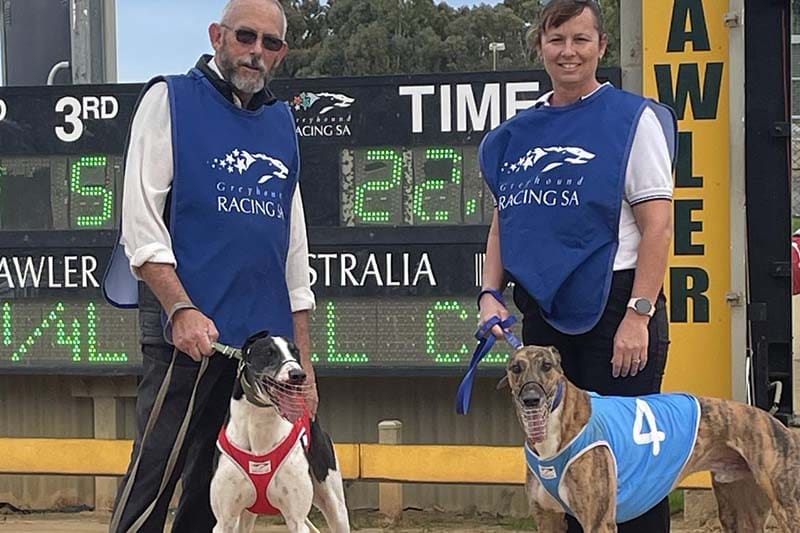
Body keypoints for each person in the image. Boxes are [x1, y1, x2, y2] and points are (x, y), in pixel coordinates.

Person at [102, 0, 317, 531]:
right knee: (154, 480)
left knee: (215, 494)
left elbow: (293, 251)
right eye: (246, 37)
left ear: (282, 53)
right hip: (187, 334)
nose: (256, 52)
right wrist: (179, 308)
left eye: (270, 43)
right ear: (217, 35)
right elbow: (142, 225)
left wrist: (304, 363)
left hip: (254, 352)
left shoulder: (281, 124)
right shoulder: (170, 99)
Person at [477, 1, 676, 531]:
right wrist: (489, 293)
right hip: (544, 318)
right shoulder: (515, 134)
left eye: (581, 40)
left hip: (617, 313)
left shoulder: (634, 121)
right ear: (541, 46)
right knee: (559, 472)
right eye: (557, 38)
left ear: (601, 47)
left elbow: (658, 227)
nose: (568, 51)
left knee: (627, 474)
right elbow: (504, 223)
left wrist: (639, 314)